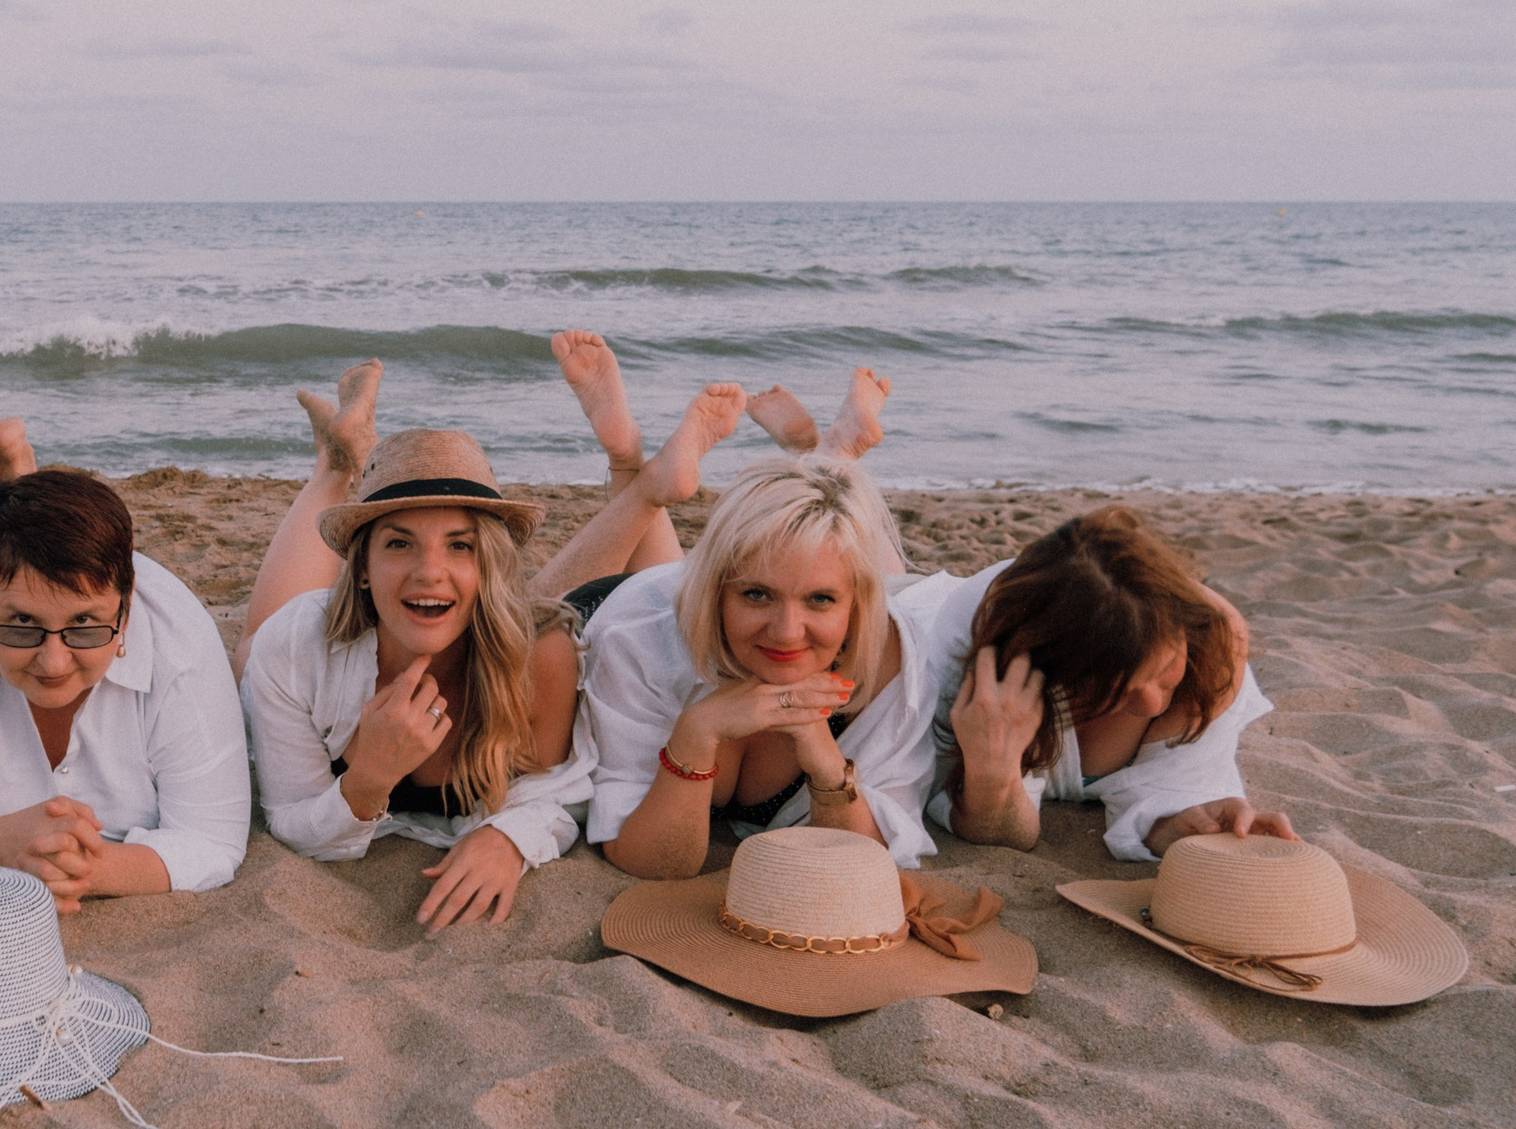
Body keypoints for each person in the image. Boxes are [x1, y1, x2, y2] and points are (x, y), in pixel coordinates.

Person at [236, 340, 746, 931]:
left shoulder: (541, 655)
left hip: (566, 618)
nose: (429, 567)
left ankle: (636, 472)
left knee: (517, 623)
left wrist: (509, 838)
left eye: (462, 544)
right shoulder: (299, 648)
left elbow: (561, 791)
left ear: (492, 561)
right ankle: (338, 463)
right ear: (362, 569)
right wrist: (368, 778)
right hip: (498, 616)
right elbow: (291, 820)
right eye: (397, 542)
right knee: (252, 651)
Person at [0, 435, 250, 910]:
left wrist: (90, 872)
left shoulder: (182, 642)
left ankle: (5, 463)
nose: (54, 662)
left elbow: (214, 840)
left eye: (85, 624)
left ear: (127, 608)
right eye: (22, 625)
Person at [584, 387, 951, 879]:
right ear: (716, 590)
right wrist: (696, 733)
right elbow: (648, 859)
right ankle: (629, 460)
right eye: (756, 595)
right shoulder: (637, 643)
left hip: (687, 602)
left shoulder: (894, 664)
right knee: (541, 610)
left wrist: (823, 757)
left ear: (857, 605)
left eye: (821, 599)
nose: (786, 632)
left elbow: (869, 864)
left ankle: (828, 452)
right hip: (617, 604)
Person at [925, 506, 1290, 861]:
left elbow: (1169, 795)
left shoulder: (1212, 641)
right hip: (925, 613)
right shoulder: (963, 656)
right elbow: (1002, 833)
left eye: (1165, 670)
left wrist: (1184, 823)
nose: (1151, 705)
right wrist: (994, 774)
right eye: (1120, 691)